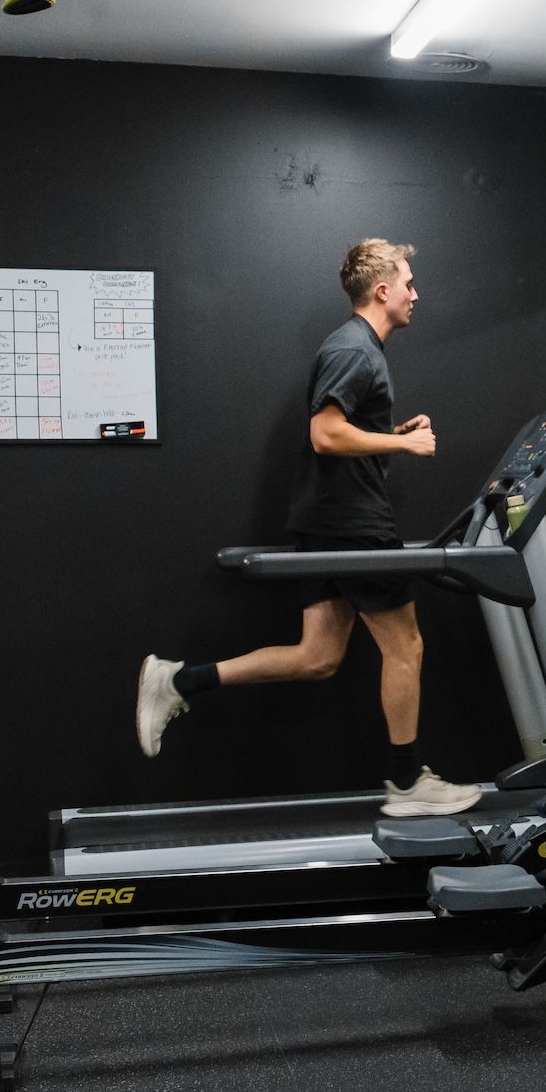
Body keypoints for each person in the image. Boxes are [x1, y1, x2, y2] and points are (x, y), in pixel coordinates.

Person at [133, 239, 482, 817]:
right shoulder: (355, 349)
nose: (416, 294)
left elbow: (342, 430)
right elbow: (325, 434)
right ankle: (406, 783)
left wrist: (388, 430)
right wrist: (403, 444)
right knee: (406, 646)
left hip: (329, 519)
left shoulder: (356, 348)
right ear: (382, 291)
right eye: (408, 283)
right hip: (353, 523)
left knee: (317, 656)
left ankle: (178, 682)